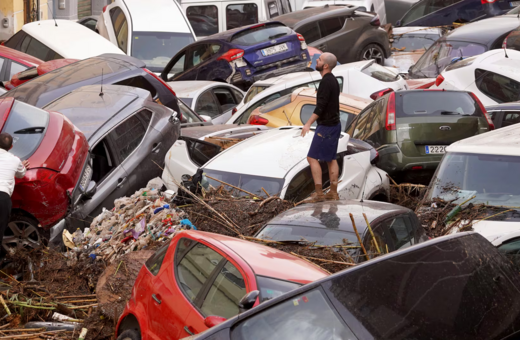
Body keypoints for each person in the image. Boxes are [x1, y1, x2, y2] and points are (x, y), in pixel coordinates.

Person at [301, 52, 340, 202]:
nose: (316, 60)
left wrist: (308, 124)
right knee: (331, 158)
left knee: (311, 157)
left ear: (325, 66)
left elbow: (320, 107)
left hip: (327, 126)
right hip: (335, 124)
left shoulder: (326, 82)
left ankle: (319, 194)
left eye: (319, 59)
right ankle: (333, 192)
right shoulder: (333, 81)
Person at [0, 133, 29, 258]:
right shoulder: (15, 160)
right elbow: (21, 174)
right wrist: (23, 165)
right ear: (11, 147)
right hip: (2, 198)